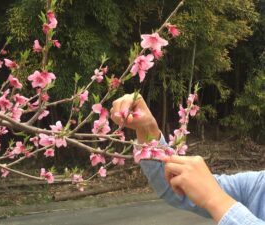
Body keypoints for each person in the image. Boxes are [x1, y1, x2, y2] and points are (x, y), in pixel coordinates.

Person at [110, 93, 265, 225]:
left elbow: (212, 194)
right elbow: (177, 189)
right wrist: (148, 129)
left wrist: (216, 199)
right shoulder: (256, 186)